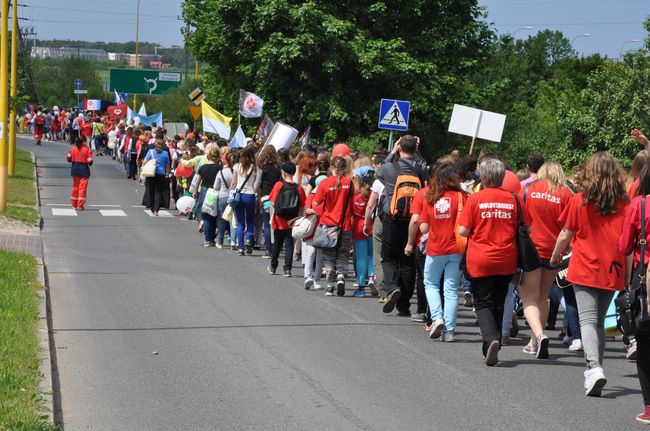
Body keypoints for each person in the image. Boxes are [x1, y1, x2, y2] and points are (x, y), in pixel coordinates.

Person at [550, 151, 628, 396]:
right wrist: (626, 274)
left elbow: (565, 233)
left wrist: (555, 256)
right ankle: (595, 368)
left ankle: (594, 368)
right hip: (612, 268)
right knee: (598, 322)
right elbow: (627, 242)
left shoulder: (580, 200)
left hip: (584, 266)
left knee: (587, 321)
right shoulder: (624, 204)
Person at [458, 159, 529, 366]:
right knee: (499, 300)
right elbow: (528, 229)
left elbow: (463, 231)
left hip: (480, 258)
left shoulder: (475, 198)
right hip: (507, 258)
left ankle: (491, 339)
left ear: (484, 177)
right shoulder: (515, 200)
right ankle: (494, 339)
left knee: (483, 302)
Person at [518, 161, 573, 358]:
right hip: (554, 251)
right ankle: (534, 342)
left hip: (531, 250)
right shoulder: (566, 194)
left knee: (529, 298)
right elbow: (569, 226)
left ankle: (539, 337)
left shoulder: (529, 189)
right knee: (543, 296)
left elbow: (521, 220)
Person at [377, 135, 428, 314]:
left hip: (392, 217)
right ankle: (404, 306)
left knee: (389, 257)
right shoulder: (420, 168)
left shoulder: (390, 167)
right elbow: (426, 172)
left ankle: (393, 287)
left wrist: (392, 152)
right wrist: (417, 151)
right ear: (415, 149)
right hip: (414, 217)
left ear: (399, 148)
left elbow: (379, 172)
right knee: (408, 263)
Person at [419, 163, 466, 342]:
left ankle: (437, 317)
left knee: (430, 283)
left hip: (436, 248)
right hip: (456, 248)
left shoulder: (430, 197)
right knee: (451, 290)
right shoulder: (462, 197)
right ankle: (450, 331)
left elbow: (423, 228)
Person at [618, 160, 650, 422]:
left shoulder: (639, 205)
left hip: (645, 277)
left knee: (646, 343)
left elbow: (624, 245)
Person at [313, 155, 354, 297]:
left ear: (331, 167)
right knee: (343, 254)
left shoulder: (325, 183)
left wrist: (320, 212)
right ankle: (341, 276)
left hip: (328, 224)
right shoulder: (349, 183)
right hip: (346, 225)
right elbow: (352, 204)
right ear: (344, 168)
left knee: (329, 256)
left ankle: (330, 286)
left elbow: (316, 203)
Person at [267, 162, 306, 277]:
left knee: (277, 243)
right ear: (294, 173)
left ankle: (273, 266)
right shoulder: (299, 188)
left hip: (279, 219)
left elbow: (272, 202)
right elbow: (303, 205)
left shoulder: (279, 185)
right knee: (289, 244)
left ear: (283, 172)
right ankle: (287, 269)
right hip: (292, 220)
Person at [352, 167, 376, 298]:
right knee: (371, 254)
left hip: (358, 227)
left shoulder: (355, 194)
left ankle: (361, 286)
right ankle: (371, 277)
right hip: (372, 225)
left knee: (361, 257)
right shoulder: (373, 193)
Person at [255, 145, 282, 258]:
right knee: (274, 224)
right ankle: (275, 246)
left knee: (266, 224)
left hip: (265, 197)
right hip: (276, 197)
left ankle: (268, 249)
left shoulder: (262, 167)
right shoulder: (278, 167)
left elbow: (258, 183)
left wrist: (257, 195)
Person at [231, 145, 257, 255]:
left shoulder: (237, 166)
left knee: (240, 221)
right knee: (250, 220)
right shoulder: (255, 167)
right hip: (250, 195)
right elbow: (256, 183)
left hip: (239, 195)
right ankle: (248, 239)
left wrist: (231, 192)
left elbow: (233, 182)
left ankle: (241, 247)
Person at [193, 146, 222, 246]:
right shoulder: (220, 168)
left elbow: (198, 181)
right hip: (216, 191)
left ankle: (207, 239)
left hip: (205, 191)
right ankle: (213, 238)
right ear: (218, 157)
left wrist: (195, 191)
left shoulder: (203, 167)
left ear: (208, 156)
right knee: (214, 215)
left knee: (206, 214)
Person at [143, 139, 171, 216]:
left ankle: (152, 208)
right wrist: (167, 173)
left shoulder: (150, 152)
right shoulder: (165, 153)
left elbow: (144, 162)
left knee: (151, 192)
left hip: (151, 174)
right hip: (161, 174)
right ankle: (156, 210)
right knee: (158, 192)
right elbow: (167, 164)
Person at [214, 151, 236, 249]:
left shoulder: (221, 172)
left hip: (222, 196)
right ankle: (233, 241)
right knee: (233, 220)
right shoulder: (236, 172)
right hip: (234, 197)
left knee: (221, 220)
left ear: (225, 161)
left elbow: (216, 187)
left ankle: (219, 241)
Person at [66, 136, 93, 211]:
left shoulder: (73, 149)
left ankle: (74, 204)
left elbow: (69, 158)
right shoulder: (87, 150)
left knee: (75, 186)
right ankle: (80, 205)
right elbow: (89, 161)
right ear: (84, 142)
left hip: (75, 168)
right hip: (84, 169)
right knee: (82, 188)